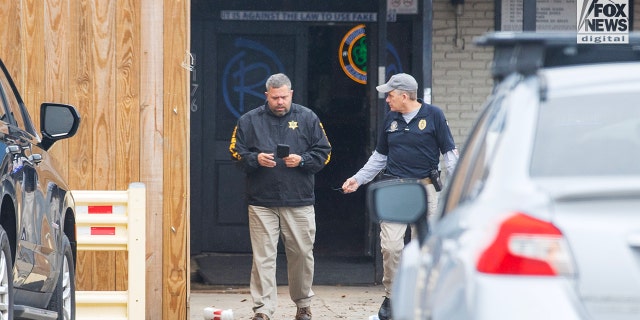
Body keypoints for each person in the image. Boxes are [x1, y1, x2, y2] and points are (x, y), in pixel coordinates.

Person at [341, 73, 458, 320]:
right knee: (391, 246)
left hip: (424, 190)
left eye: (390, 95)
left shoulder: (434, 115)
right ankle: (393, 297)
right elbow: (379, 157)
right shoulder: (390, 120)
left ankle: (420, 299)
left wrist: (460, 187)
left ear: (404, 96)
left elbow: (450, 155)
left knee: (423, 248)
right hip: (394, 189)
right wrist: (358, 179)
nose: (387, 100)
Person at [229, 73, 332, 320]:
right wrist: (255, 159)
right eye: (275, 97)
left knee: (302, 255)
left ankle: (303, 305)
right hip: (261, 201)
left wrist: (302, 159)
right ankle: (263, 311)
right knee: (263, 257)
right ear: (266, 95)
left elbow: (325, 152)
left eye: (284, 97)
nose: (279, 102)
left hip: (299, 200)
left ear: (291, 94)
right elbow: (235, 152)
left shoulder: (308, 117)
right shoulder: (248, 120)